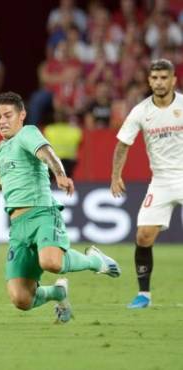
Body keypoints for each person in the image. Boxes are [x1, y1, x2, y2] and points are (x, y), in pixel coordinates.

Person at [0, 92, 121, 323]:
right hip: (18, 226)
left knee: (51, 262)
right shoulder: (0, 149)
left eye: (8, 115)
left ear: (22, 116)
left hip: (42, 213)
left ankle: (95, 261)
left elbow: (47, 153)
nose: (2, 121)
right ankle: (58, 293)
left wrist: (59, 174)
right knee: (21, 299)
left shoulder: (28, 133)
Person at [111, 59, 183, 309]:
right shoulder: (141, 111)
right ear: (149, 81)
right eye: (155, 78)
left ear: (174, 80)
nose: (160, 82)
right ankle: (144, 295)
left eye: (164, 78)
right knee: (143, 236)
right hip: (161, 181)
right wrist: (115, 175)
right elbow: (123, 144)